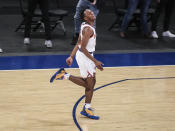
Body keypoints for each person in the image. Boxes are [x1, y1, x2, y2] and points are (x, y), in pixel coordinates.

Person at [50, 9, 104, 120]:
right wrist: (95, 61)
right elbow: (83, 48)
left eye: (91, 12)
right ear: (85, 18)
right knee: (90, 85)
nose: (92, 13)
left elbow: (78, 42)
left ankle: (86, 107)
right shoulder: (88, 29)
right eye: (88, 13)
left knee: (91, 83)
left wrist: (71, 56)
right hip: (86, 57)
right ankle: (86, 108)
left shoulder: (84, 25)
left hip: (85, 56)